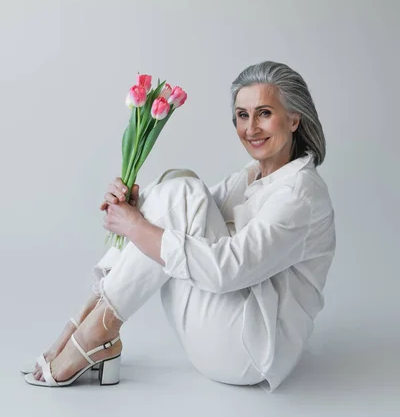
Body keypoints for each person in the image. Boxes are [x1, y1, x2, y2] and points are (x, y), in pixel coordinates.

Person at [22, 60, 336, 392]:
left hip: (249, 350)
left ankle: (95, 331)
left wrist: (135, 226)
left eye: (264, 113)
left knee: (181, 190)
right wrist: (134, 208)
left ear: (294, 119)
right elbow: (181, 214)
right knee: (178, 181)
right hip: (225, 326)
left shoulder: (300, 194)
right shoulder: (252, 176)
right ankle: (90, 322)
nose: (251, 128)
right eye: (242, 115)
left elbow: (226, 269)